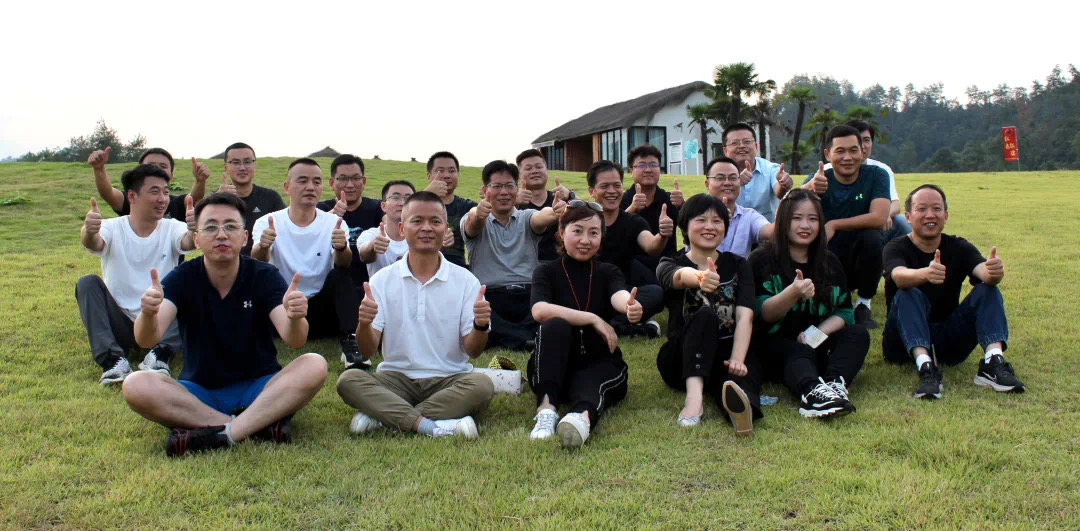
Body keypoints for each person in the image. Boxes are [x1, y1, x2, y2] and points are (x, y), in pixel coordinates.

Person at [121, 192, 328, 457]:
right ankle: (253, 425)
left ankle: (218, 433)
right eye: (210, 227)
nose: (221, 234)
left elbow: (295, 339)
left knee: (314, 364)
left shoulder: (264, 276)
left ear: (245, 237)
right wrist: (148, 314)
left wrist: (296, 317)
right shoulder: (183, 277)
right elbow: (146, 339)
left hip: (260, 387)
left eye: (230, 226)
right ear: (197, 239)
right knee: (136, 384)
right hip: (199, 392)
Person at [337, 192, 496, 439]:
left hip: (450, 379)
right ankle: (434, 425)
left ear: (446, 229)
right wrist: (365, 323)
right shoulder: (382, 280)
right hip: (396, 380)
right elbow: (366, 351)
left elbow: (473, 351)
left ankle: (386, 417)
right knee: (349, 380)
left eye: (435, 221)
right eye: (417, 221)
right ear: (402, 228)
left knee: (482, 385)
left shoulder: (466, 280)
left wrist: (480, 325)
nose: (427, 228)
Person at [882, 184, 1024, 399]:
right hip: (902, 343)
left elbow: (984, 273)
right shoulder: (895, 247)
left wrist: (994, 272)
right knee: (907, 292)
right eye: (922, 209)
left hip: (947, 342)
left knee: (988, 290)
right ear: (908, 217)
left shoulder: (958, 246)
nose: (930, 215)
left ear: (946, 215)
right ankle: (925, 367)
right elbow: (899, 276)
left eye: (937, 209)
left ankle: (993, 361)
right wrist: (925, 274)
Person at [748, 189, 869, 419]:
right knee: (796, 350)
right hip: (773, 348)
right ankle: (811, 393)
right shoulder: (761, 259)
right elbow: (762, 314)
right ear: (783, 221)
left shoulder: (829, 262)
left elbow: (845, 311)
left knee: (858, 334)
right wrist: (793, 293)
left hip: (813, 343)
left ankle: (834, 384)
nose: (805, 225)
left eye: (812, 219)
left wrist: (817, 333)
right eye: (797, 218)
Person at [527, 203, 639, 448]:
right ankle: (546, 411)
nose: (585, 240)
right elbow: (540, 310)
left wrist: (629, 305)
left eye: (593, 233)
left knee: (591, 386)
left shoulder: (608, 271)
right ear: (561, 231)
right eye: (577, 231)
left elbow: (618, 295)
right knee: (554, 325)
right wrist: (592, 318)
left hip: (598, 361)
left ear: (601, 236)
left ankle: (580, 419)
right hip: (552, 364)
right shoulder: (546, 271)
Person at [76, 163, 196, 384]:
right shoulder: (112, 226)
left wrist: (193, 228)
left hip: (160, 321)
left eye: (165, 192)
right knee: (87, 282)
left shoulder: (172, 227)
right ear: (131, 195)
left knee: (195, 281)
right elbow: (94, 242)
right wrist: (89, 230)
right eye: (154, 191)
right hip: (120, 322)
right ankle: (113, 361)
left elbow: (188, 241)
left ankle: (160, 354)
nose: (162, 199)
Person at [655, 194, 761, 434]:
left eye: (717, 221)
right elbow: (679, 277)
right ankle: (694, 401)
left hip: (724, 353)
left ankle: (743, 410)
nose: (710, 227)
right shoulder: (669, 263)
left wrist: (737, 359)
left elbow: (745, 315)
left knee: (742, 374)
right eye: (701, 220)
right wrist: (700, 277)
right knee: (704, 314)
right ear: (685, 226)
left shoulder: (738, 264)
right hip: (680, 358)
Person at [251, 158, 362, 368]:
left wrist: (341, 247)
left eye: (316, 182)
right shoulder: (267, 222)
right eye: (302, 181)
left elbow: (344, 263)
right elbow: (259, 260)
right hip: (282, 307)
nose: (310, 187)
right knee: (259, 277)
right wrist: (264, 245)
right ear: (287, 187)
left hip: (321, 307)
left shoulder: (334, 223)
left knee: (342, 276)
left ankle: (351, 341)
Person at [462, 160, 564, 350]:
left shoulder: (527, 217)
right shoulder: (475, 218)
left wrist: (554, 212)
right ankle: (525, 338)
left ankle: (507, 337)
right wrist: (478, 213)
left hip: (528, 293)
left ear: (517, 190)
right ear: (484, 190)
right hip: (491, 294)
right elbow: (473, 222)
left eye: (509, 186)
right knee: (478, 311)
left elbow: (542, 216)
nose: (504, 192)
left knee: (551, 304)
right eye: (497, 186)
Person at [801, 125, 890, 328]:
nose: (847, 157)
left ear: (862, 151)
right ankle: (831, 300)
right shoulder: (819, 178)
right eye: (840, 151)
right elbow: (787, 210)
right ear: (828, 154)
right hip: (828, 255)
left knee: (873, 238)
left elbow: (879, 218)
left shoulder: (876, 175)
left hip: (862, 256)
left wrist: (834, 224)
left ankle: (863, 305)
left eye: (853, 150)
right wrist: (809, 188)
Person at [588, 160, 668, 337]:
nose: (612, 191)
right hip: (588, 289)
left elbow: (651, 246)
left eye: (617, 185)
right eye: (604, 186)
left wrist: (662, 235)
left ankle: (610, 324)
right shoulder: (583, 221)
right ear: (591, 191)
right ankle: (625, 325)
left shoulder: (633, 222)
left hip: (620, 292)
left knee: (656, 293)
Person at [825, 119, 910, 241]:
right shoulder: (826, 172)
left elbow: (894, 204)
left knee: (901, 221)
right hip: (840, 225)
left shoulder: (881, 171)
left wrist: (884, 215)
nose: (863, 145)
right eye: (859, 140)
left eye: (866, 140)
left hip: (872, 226)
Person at [87, 146, 209, 224]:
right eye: (150, 164)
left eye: (163, 166)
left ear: (171, 176)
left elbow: (194, 199)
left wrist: (200, 181)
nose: (157, 169)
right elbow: (108, 193)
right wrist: (99, 169)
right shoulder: (132, 198)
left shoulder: (176, 203)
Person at [317, 154, 385, 289]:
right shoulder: (321, 210)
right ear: (332, 183)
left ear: (363, 181)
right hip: (331, 286)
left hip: (370, 284)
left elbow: (395, 222)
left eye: (356, 178)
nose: (349, 185)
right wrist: (331, 215)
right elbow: (309, 231)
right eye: (343, 178)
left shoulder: (377, 208)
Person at [620, 144, 683, 284]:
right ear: (631, 171)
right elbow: (612, 230)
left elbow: (690, 228)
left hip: (666, 264)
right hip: (632, 265)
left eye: (653, 165)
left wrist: (681, 205)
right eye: (642, 165)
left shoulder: (669, 199)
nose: (648, 169)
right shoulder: (622, 200)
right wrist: (632, 209)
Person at [216, 142, 287, 255]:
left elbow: (287, 226)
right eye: (235, 163)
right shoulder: (216, 198)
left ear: (254, 164)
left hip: (262, 261)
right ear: (226, 167)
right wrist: (217, 200)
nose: (242, 168)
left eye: (247, 162)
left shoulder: (271, 197)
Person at [704, 156, 775, 257]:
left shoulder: (749, 216)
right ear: (707, 184)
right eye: (720, 178)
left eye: (733, 178)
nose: (727, 183)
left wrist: (786, 207)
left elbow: (772, 232)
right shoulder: (696, 211)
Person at [722, 123, 792, 223]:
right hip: (731, 228)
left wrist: (783, 184)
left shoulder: (771, 169)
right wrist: (736, 183)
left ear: (756, 146)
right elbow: (716, 201)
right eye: (735, 143)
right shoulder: (718, 172)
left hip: (766, 229)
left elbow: (779, 192)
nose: (741, 146)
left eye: (747, 141)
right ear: (725, 150)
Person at [515, 148, 575, 262]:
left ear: (546, 170)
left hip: (561, 264)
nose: (534, 171)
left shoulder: (560, 199)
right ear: (519, 175)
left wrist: (570, 196)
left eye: (539, 167)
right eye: (528, 168)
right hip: (524, 266)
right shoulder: (513, 204)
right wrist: (513, 203)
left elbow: (590, 214)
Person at [423, 151, 474, 268]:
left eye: (452, 171)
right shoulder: (416, 204)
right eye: (440, 171)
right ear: (429, 176)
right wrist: (427, 194)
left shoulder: (466, 206)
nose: (446, 175)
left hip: (457, 269)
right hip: (422, 268)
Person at [356, 180, 416, 278]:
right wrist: (372, 246)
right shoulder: (370, 235)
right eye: (395, 197)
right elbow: (365, 256)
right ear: (384, 206)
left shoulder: (421, 235)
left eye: (408, 198)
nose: (402, 203)